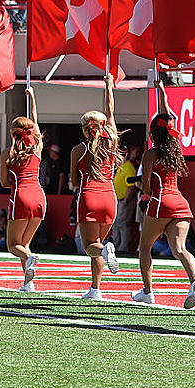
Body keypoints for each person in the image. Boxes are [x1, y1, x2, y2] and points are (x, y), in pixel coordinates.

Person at [131, 79, 195, 308]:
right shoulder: (176, 149)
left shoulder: (150, 154)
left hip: (161, 201)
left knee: (145, 248)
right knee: (180, 249)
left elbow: (147, 186)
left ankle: (148, 291)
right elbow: (170, 117)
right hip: (181, 203)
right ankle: (194, 280)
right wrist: (162, 91)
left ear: (153, 132)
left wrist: (142, 188)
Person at [69, 73, 121, 299]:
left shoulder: (78, 150)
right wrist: (109, 87)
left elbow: (73, 181)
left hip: (89, 197)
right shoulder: (111, 143)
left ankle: (105, 249)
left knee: (91, 246)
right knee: (97, 241)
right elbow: (111, 113)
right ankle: (95, 289)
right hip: (110, 198)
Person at [0, 87, 47, 292]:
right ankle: (28, 284)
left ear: (12, 133)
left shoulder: (7, 153)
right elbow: (35, 125)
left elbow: (3, 183)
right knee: (24, 242)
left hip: (20, 196)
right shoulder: (37, 149)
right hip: (39, 196)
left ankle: (29, 258)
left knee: (13, 245)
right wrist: (33, 98)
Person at [110, 144, 141, 254]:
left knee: (123, 224)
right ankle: (117, 246)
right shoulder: (120, 167)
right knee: (116, 224)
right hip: (118, 200)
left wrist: (126, 201)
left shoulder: (128, 167)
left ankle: (123, 248)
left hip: (125, 200)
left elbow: (131, 187)